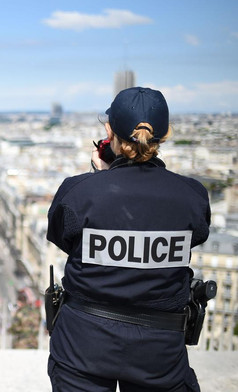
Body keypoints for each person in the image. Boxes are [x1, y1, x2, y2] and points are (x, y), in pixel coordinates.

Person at [46, 87, 210, 391]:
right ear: (165, 135)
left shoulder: (78, 192)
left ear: (110, 133)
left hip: (83, 344)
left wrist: (100, 178)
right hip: (159, 350)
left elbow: (62, 238)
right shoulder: (192, 196)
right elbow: (197, 235)